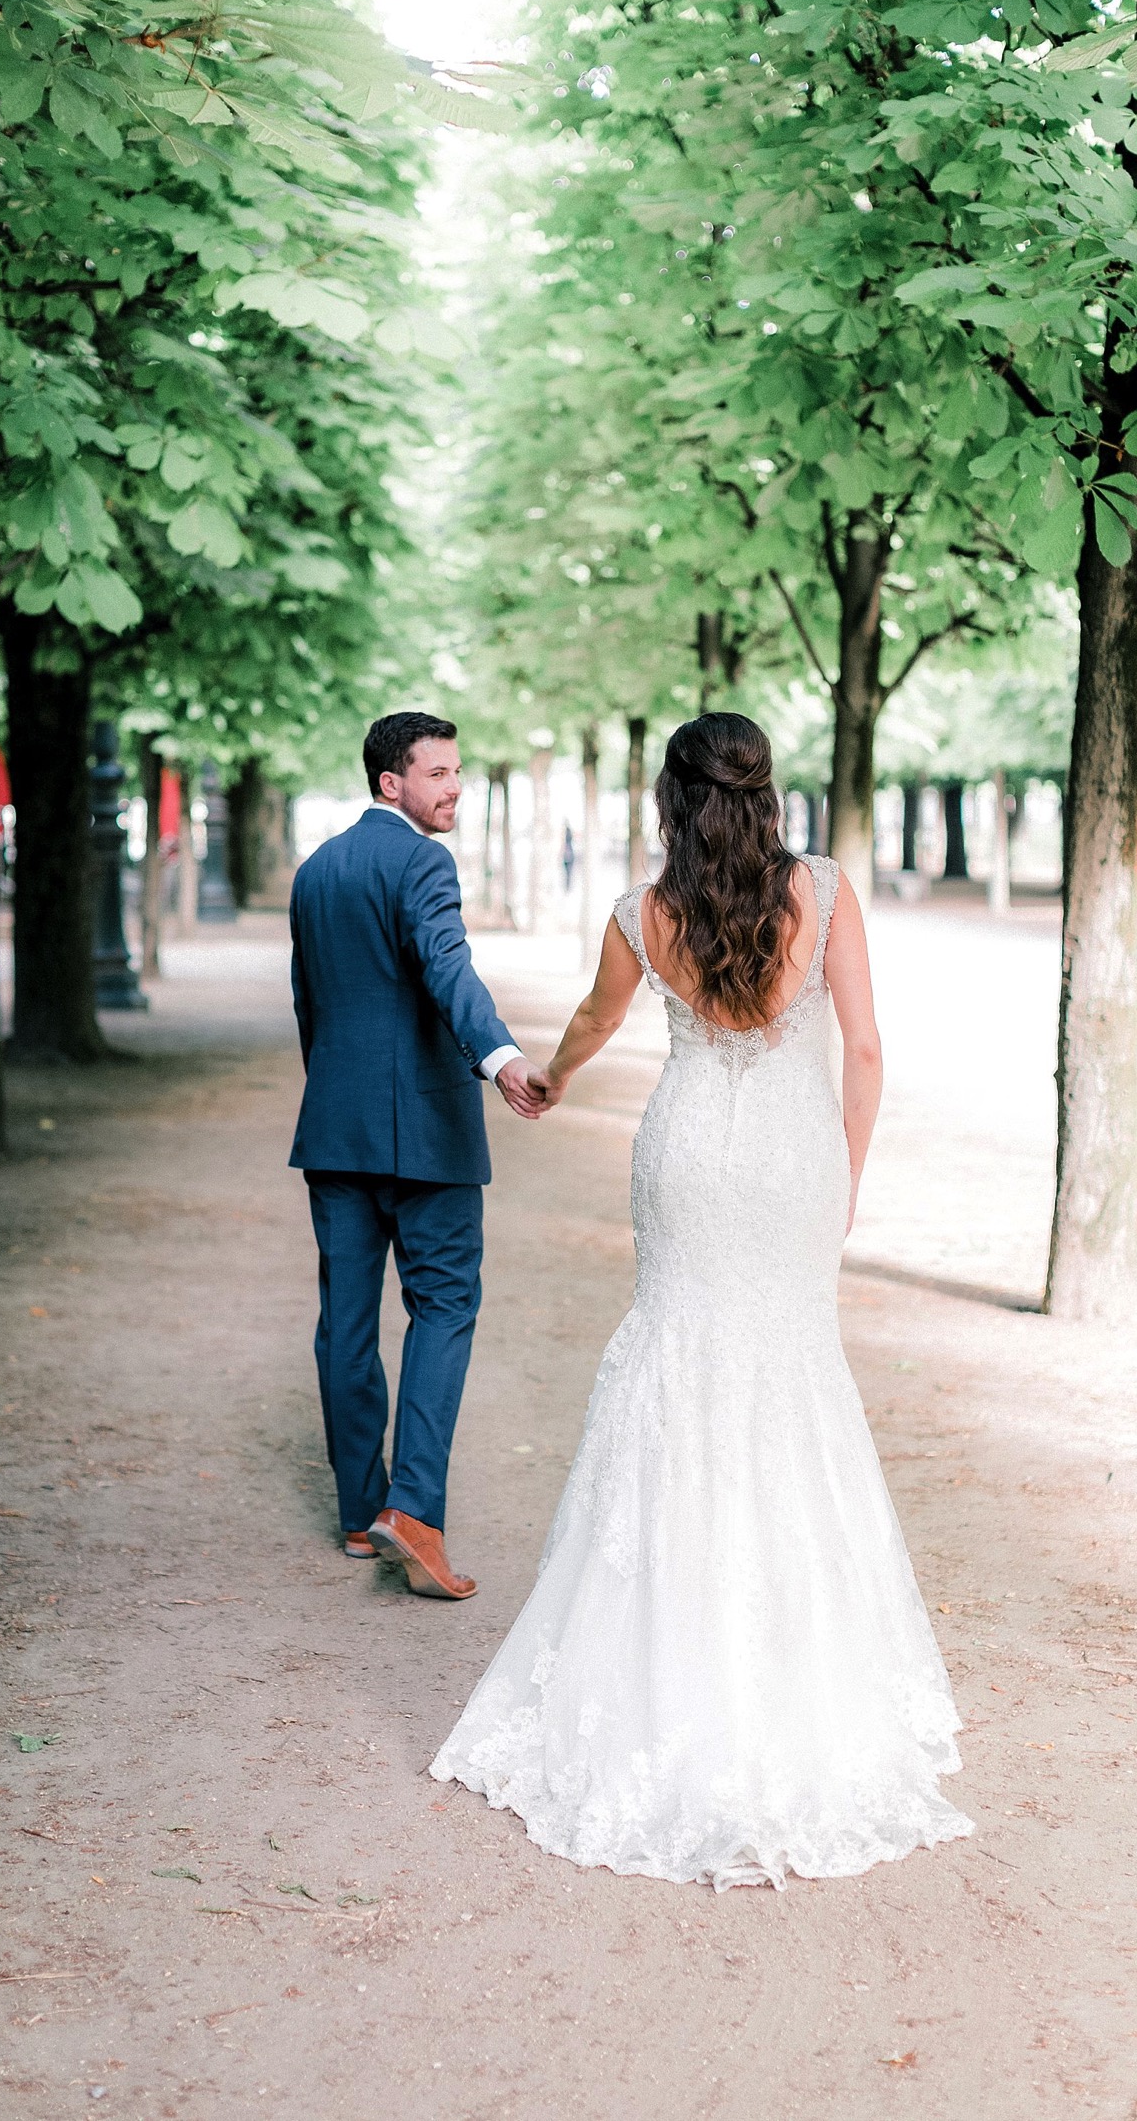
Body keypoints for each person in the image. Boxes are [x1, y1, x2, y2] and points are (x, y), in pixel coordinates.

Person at [431, 712, 971, 1886]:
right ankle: (792, 1661)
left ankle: (660, 1658)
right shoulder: (821, 890)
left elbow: (592, 1022)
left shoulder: (643, 913)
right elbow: (866, 1052)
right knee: (787, 1370)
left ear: (671, 796)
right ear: (764, 791)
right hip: (788, 1160)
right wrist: (848, 1169)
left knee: (675, 1360)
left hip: (685, 1158)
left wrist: (549, 1080)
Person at [289, 712, 547, 1602]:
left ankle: (363, 1515)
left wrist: (336, 1097)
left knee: (346, 1324)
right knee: (444, 1307)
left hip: (336, 1127)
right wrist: (505, 1060)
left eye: (458, 772)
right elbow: (446, 967)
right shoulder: (423, 863)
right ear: (390, 783)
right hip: (428, 1137)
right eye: (437, 774)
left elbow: (309, 1008)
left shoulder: (317, 871)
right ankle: (415, 1513)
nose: (454, 789)